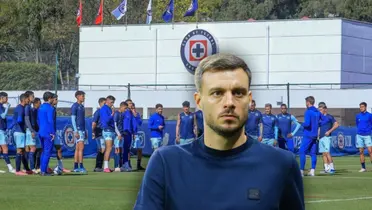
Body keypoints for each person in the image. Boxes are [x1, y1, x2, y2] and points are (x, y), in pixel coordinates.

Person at [134, 54, 304, 210]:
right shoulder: (166, 164)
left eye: (238, 93)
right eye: (217, 93)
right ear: (199, 101)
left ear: (249, 99)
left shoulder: (281, 164)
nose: (229, 102)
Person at [300, 96, 321, 177]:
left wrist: (301, 123)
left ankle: (301, 171)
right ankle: (312, 171)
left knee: (302, 151)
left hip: (308, 135)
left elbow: (307, 124)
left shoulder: (308, 112)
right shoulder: (317, 112)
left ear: (308, 102)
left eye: (306, 102)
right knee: (313, 153)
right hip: (315, 135)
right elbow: (321, 122)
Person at [13, 93, 33, 176]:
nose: (29, 100)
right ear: (24, 99)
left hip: (21, 131)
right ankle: (17, 170)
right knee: (20, 150)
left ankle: (27, 169)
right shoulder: (20, 108)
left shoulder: (20, 107)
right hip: (19, 131)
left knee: (24, 151)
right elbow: (19, 120)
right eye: (28, 99)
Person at [38, 91, 56, 176]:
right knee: (47, 152)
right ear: (49, 99)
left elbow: (38, 120)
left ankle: (42, 170)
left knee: (43, 151)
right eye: (52, 98)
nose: (53, 100)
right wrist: (52, 132)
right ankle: (44, 171)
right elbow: (50, 121)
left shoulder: (40, 107)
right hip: (48, 132)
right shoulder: (50, 108)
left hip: (41, 131)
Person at [52, 94, 70, 173]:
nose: (57, 101)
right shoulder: (49, 109)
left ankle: (60, 166)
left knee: (59, 148)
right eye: (56, 99)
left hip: (54, 131)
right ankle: (40, 167)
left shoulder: (53, 109)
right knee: (43, 150)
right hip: (49, 132)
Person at [318, 103, 338, 174]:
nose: (320, 111)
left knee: (327, 152)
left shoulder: (329, 117)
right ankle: (326, 168)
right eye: (319, 109)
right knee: (323, 154)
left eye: (321, 109)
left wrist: (329, 131)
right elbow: (319, 127)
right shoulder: (319, 118)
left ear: (325, 109)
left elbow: (336, 125)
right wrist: (318, 135)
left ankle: (332, 168)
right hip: (321, 137)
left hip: (327, 137)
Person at [71, 91, 87, 173]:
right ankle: (81, 166)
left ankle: (76, 166)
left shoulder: (82, 106)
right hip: (78, 129)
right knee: (81, 148)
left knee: (77, 149)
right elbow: (73, 119)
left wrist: (85, 130)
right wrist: (75, 131)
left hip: (82, 129)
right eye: (82, 96)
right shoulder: (75, 106)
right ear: (77, 96)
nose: (84, 97)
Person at [0, 92, 15, 173]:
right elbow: (2, 116)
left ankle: (9, 167)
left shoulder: (1, 106)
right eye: (6, 97)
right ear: (2, 98)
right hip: (0, 130)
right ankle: (10, 168)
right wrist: (7, 108)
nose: (7, 99)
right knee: (5, 149)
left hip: (1, 129)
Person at [100, 95, 116, 173]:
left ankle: (107, 166)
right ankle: (105, 167)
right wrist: (112, 115)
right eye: (111, 102)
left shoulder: (109, 109)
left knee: (110, 148)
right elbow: (106, 120)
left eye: (113, 102)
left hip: (111, 130)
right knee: (108, 148)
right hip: (107, 130)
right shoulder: (104, 109)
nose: (112, 104)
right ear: (107, 100)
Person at [355, 102, 372, 172]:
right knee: (361, 152)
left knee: (370, 151)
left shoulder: (370, 115)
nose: (361, 108)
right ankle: (363, 168)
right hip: (359, 135)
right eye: (360, 107)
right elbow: (357, 124)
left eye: (362, 107)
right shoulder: (358, 116)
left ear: (365, 107)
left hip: (367, 135)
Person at [92, 97, 106, 172]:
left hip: (104, 132)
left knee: (103, 149)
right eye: (104, 103)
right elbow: (94, 123)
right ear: (100, 103)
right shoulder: (98, 112)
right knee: (101, 149)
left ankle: (100, 166)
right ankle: (98, 166)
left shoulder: (106, 112)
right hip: (99, 132)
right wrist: (93, 132)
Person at [131, 103, 145, 170]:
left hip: (136, 134)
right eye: (131, 108)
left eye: (134, 108)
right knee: (128, 149)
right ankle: (127, 164)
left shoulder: (137, 114)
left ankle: (138, 165)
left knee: (139, 149)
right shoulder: (127, 114)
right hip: (130, 133)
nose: (133, 109)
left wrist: (136, 116)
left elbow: (140, 123)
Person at [24, 91, 35, 170]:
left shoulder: (29, 107)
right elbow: (27, 119)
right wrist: (31, 130)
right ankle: (32, 168)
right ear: (28, 97)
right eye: (32, 96)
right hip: (29, 130)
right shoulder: (27, 107)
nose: (33, 98)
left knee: (28, 149)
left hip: (28, 130)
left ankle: (27, 168)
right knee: (32, 148)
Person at [113, 102, 126, 172]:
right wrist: (118, 134)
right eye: (125, 108)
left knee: (120, 150)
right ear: (121, 106)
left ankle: (120, 166)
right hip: (117, 135)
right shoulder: (116, 114)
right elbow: (115, 125)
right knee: (117, 150)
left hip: (121, 134)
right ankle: (116, 166)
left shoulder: (122, 114)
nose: (125, 109)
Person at [31, 98, 42, 173]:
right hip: (35, 131)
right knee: (36, 150)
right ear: (35, 104)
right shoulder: (33, 111)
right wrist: (34, 130)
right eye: (39, 103)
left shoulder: (38, 110)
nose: (40, 104)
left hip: (38, 131)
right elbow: (34, 122)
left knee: (39, 149)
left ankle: (37, 166)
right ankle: (34, 167)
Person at [122, 102, 134, 172]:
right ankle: (123, 164)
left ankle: (126, 164)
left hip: (129, 133)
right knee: (124, 149)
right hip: (124, 133)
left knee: (128, 149)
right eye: (129, 103)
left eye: (131, 103)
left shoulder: (131, 113)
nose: (131, 104)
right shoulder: (124, 113)